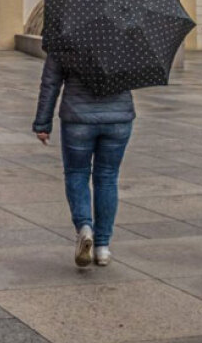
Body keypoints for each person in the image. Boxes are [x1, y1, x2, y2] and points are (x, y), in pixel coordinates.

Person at [33, 53, 135, 267]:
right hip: (118, 118)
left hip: (78, 118)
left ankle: (85, 227)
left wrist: (43, 123)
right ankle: (102, 248)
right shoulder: (127, 36)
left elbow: (50, 82)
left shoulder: (64, 37)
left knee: (77, 173)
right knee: (107, 178)